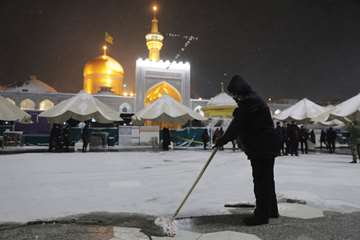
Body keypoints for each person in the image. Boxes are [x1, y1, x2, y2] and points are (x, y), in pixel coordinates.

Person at [215, 75, 280, 226]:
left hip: (261, 146)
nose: (234, 97)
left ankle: (261, 216)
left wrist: (222, 140)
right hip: (266, 145)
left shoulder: (249, 102)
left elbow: (237, 125)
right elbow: (243, 120)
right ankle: (271, 210)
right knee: (267, 179)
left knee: (260, 180)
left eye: (234, 94)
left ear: (239, 91)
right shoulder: (253, 99)